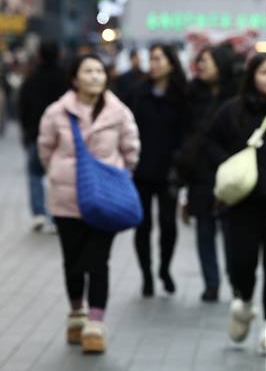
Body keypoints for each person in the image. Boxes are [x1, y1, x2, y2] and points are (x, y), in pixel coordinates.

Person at [37, 54, 140, 353]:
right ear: (74, 78)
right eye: (88, 71)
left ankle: (96, 322)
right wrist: (61, 174)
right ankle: (76, 313)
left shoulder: (118, 112)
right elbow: (45, 149)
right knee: (72, 262)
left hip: (106, 201)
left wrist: (115, 177)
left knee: (98, 261)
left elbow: (131, 150)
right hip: (66, 200)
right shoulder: (57, 112)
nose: (95, 76)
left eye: (99, 71)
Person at [207, 53, 266, 354]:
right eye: (264, 72)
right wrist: (227, 165)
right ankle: (243, 300)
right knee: (241, 263)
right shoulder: (232, 110)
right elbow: (210, 142)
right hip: (242, 202)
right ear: (252, 75)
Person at [174, 45, 237, 302]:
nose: (201, 66)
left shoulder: (236, 95)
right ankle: (211, 283)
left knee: (231, 231)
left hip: (231, 171)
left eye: (206, 61)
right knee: (204, 229)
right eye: (199, 61)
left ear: (220, 64)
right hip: (200, 172)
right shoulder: (191, 94)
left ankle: (236, 282)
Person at [132, 44, 186, 297]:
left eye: (157, 59)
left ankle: (164, 269)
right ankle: (146, 276)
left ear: (171, 64)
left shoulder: (181, 95)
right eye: (150, 58)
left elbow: (187, 133)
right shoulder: (139, 92)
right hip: (140, 171)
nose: (152, 64)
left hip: (169, 173)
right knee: (142, 225)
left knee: (168, 224)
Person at [18, 41, 67, 233]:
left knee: (35, 174)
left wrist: (26, 129)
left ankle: (39, 213)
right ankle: (57, 216)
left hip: (36, 135)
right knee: (58, 177)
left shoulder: (32, 79)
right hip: (62, 136)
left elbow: (23, 105)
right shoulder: (65, 78)